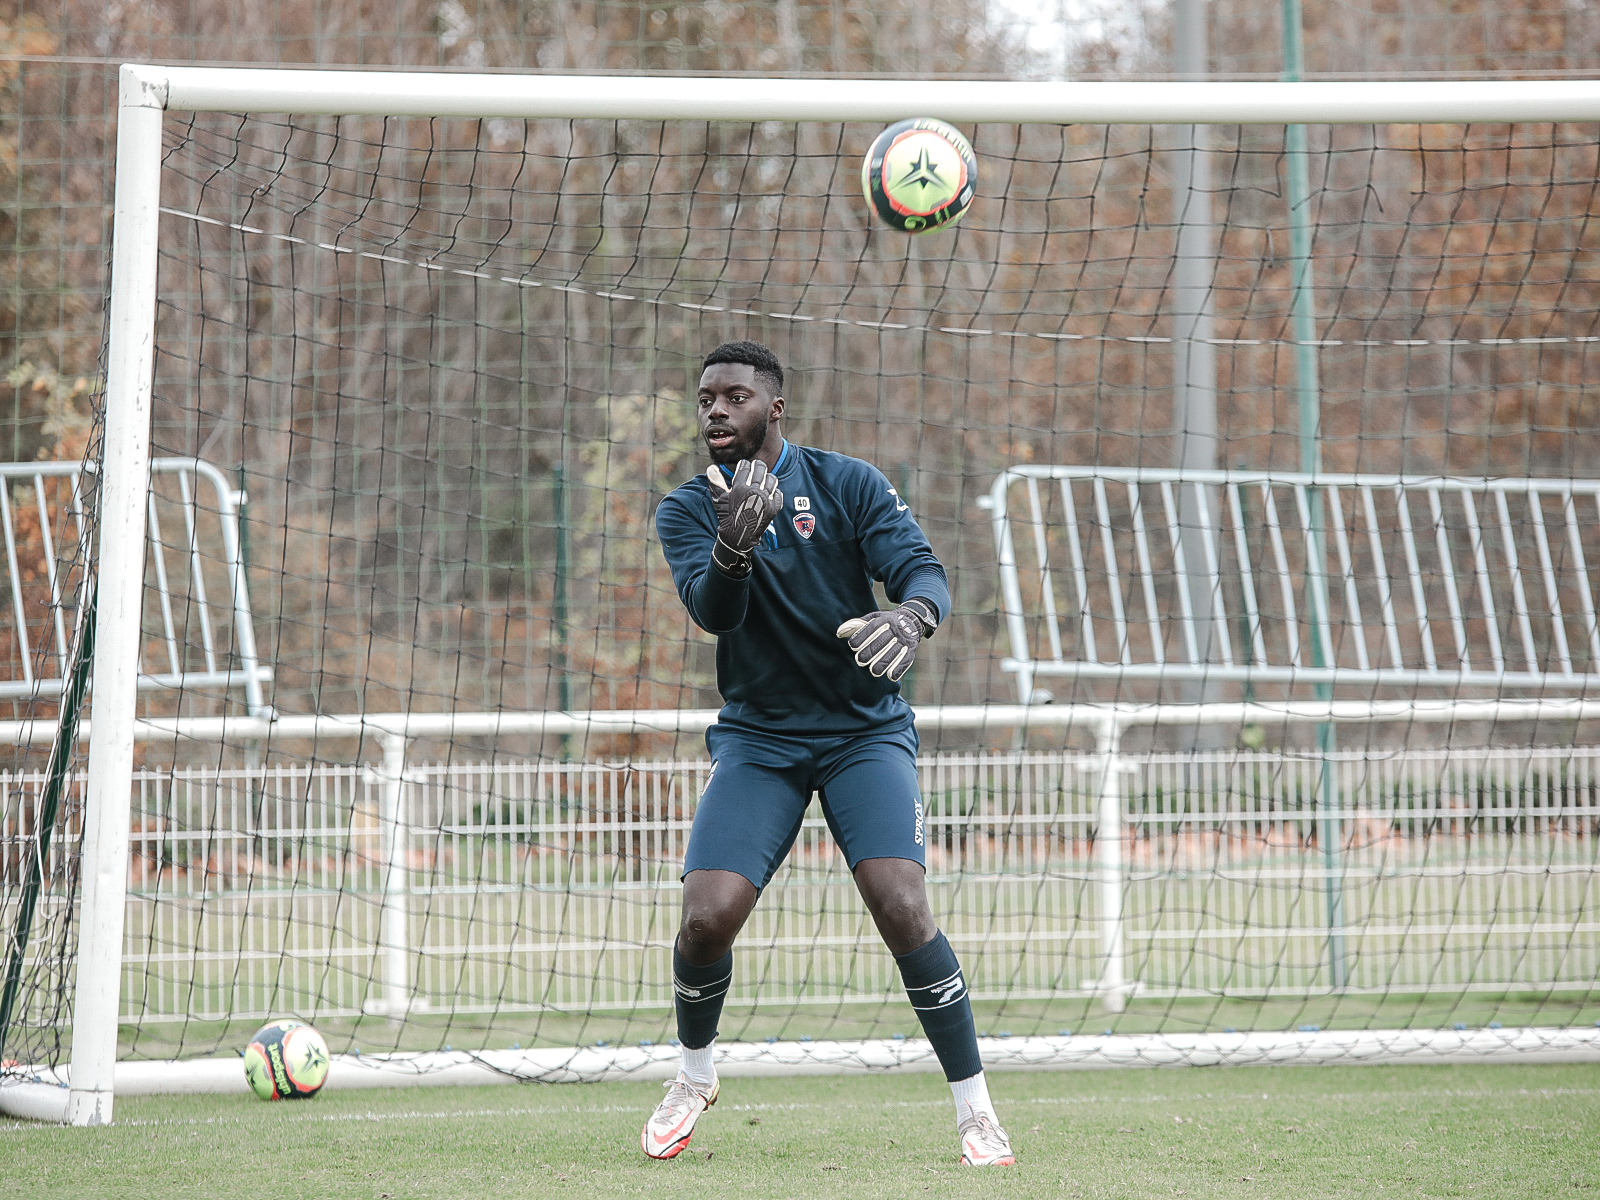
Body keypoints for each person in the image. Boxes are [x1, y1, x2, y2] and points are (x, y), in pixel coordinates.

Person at [642, 340, 1013, 1167]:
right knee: (706, 919)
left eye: (733, 398)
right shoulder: (684, 510)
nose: (714, 412)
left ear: (774, 409)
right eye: (705, 399)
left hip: (863, 733)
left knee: (902, 902)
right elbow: (715, 616)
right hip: (760, 739)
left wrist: (911, 618)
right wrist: (734, 548)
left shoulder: (845, 482)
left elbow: (922, 570)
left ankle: (976, 1110)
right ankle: (694, 1075)